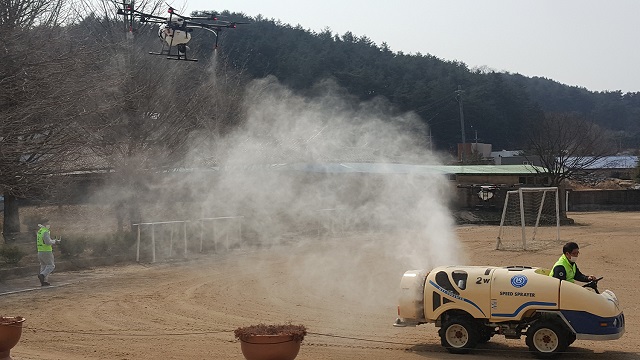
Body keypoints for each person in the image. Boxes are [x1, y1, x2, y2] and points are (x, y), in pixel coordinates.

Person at [36, 220, 60, 286]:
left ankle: (44, 281)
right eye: (47, 223)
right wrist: (55, 241)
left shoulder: (40, 231)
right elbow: (48, 242)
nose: (48, 224)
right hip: (46, 251)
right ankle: (42, 275)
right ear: (44, 224)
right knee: (51, 265)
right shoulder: (45, 232)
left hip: (40, 251)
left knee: (43, 266)